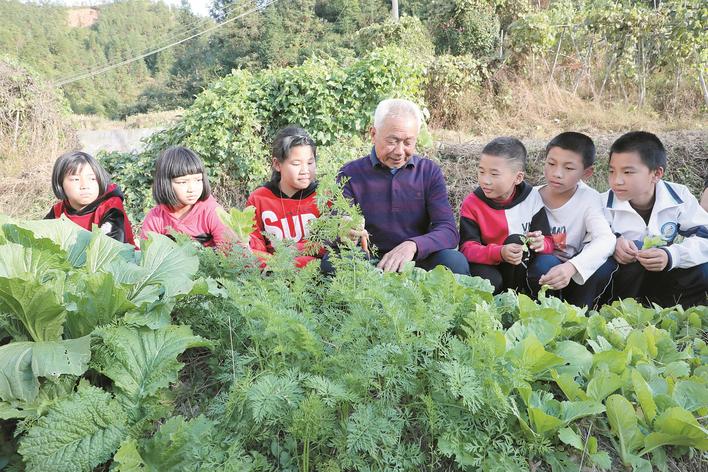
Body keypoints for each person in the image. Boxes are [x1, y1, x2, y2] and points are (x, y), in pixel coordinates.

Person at [337, 98, 469, 275]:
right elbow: (335, 227)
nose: (400, 151)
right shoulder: (350, 174)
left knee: (454, 261)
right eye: (392, 141)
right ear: (373, 134)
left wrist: (413, 245)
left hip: (417, 260)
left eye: (408, 142)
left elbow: (448, 231)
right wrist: (344, 229)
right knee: (333, 264)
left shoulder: (428, 172)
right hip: (368, 262)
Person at [603, 131, 708, 307]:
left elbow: (705, 235)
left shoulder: (678, 195)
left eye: (627, 172)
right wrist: (614, 243)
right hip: (623, 279)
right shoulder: (601, 203)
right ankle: (617, 309)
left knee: (704, 268)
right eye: (612, 171)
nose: (617, 181)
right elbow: (587, 238)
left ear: (657, 174)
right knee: (633, 249)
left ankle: (667, 309)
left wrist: (671, 255)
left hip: (662, 272)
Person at [526, 132, 616, 308]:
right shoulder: (530, 197)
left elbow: (606, 239)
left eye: (568, 168)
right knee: (546, 262)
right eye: (551, 164)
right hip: (542, 272)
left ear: (587, 172)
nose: (557, 173)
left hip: (575, 271)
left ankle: (580, 313)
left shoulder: (589, 198)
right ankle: (542, 311)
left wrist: (571, 267)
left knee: (605, 263)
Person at [459, 137, 550, 294]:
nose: (485, 180)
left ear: (518, 178)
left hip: (521, 267)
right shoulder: (472, 203)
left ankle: (519, 298)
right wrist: (499, 252)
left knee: (517, 241)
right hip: (487, 263)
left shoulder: (532, 198)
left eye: (494, 174)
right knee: (491, 282)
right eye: (481, 172)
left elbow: (549, 242)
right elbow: (466, 249)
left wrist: (541, 244)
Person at [246, 126, 323, 268]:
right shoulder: (259, 199)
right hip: (271, 276)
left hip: (317, 276)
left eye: (310, 163)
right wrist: (278, 264)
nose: (305, 170)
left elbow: (330, 243)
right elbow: (253, 247)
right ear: (277, 164)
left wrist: (295, 252)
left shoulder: (324, 196)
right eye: (296, 163)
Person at [140, 146, 230, 248]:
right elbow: (148, 256)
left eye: (198, 180)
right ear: (165, 183)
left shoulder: (212, 211)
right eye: (182, 182)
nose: (192, 189)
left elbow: (234, 253)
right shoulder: (156, 218)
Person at [46, 150, 135, 245]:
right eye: (75, 179)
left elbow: (111, 249)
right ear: (60, 183)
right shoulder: (58, 211)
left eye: (92, 179)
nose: (85, 186)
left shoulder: (110, 207)